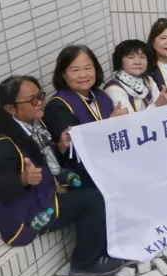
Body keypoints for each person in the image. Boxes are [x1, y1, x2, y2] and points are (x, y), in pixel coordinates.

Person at [0, 76, 125, 276]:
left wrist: (61, 146)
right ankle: (84, 263)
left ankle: (110, 245)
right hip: (30, 211)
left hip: (48, 190)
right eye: (32, 99)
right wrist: (22, 179)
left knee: (99, 182)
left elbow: (50, 162)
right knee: (93, 199)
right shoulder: (0, 144)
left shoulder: (36, 124)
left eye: (40, 96)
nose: (40, 102)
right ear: (11, 109)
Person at [44, 45, 128, 185]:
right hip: (83, 176)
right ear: (63, 74)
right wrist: (111, 123)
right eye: (75, 70)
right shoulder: (58, 106)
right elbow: (77, 148)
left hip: (114, 164)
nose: (83, 75)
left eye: (88, 68)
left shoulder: (101, 95)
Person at [103, 39, 167, 112]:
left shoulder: (148, 80)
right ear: (120, 61)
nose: (137, 62)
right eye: (131, 57)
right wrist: (157, 105)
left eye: (142, 57)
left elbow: (162, 109)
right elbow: (129, 118)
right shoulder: (114, 88)